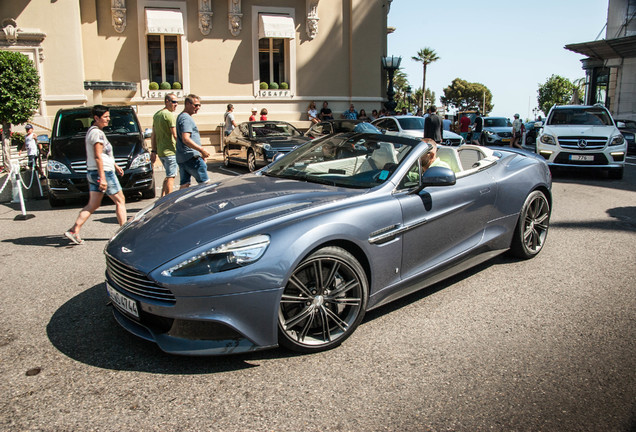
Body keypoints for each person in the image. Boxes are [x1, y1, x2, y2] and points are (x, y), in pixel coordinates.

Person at [64, 105, 126, 245]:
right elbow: (98, 156)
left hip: (95, 171)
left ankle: (74, 230)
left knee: (93, 204)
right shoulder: (96, 133)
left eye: (108, 116)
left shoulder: (93, 132)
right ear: (96, 118)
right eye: (105, 117)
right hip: (102, 172)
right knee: (120, 200)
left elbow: (103, 155)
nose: (108, 119)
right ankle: (124, 233)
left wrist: (115, 165)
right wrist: (103, 177)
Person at [176, 94, 210, 189]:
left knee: (184, 185)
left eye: (199, 105)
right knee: (205, 185)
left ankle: (179, 203)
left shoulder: (181, 116)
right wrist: (201, 150)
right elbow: (186, 139)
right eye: (195, 105)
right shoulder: (186, 118)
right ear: (187, 104)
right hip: (192, 157)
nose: (198, 107)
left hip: (182, 157)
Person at [150, 93, 178, 196]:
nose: (176, 104)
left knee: (168, 175)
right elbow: (175, 135)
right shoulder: (169, 115)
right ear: (167, 102)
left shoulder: (157, 115)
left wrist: (153, 150)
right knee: (171, 177)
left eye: (177, 102)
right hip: (171, 151)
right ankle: (169, 200)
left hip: (161, 152)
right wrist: (183, 147)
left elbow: (153, 135)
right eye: (174, 102)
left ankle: (162, 198)